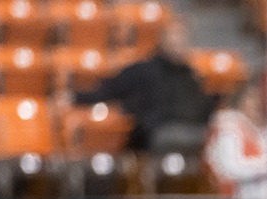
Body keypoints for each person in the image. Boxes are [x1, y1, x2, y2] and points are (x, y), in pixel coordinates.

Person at [66, 18, 215, 151]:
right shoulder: (144, 70)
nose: (177, 44)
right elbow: (107, 90)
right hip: (159, 133)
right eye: (173, 39)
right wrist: (72, 97)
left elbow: (204, 108)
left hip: (194, 130)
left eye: (182, 40)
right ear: (162, 41)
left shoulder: (191, 75)